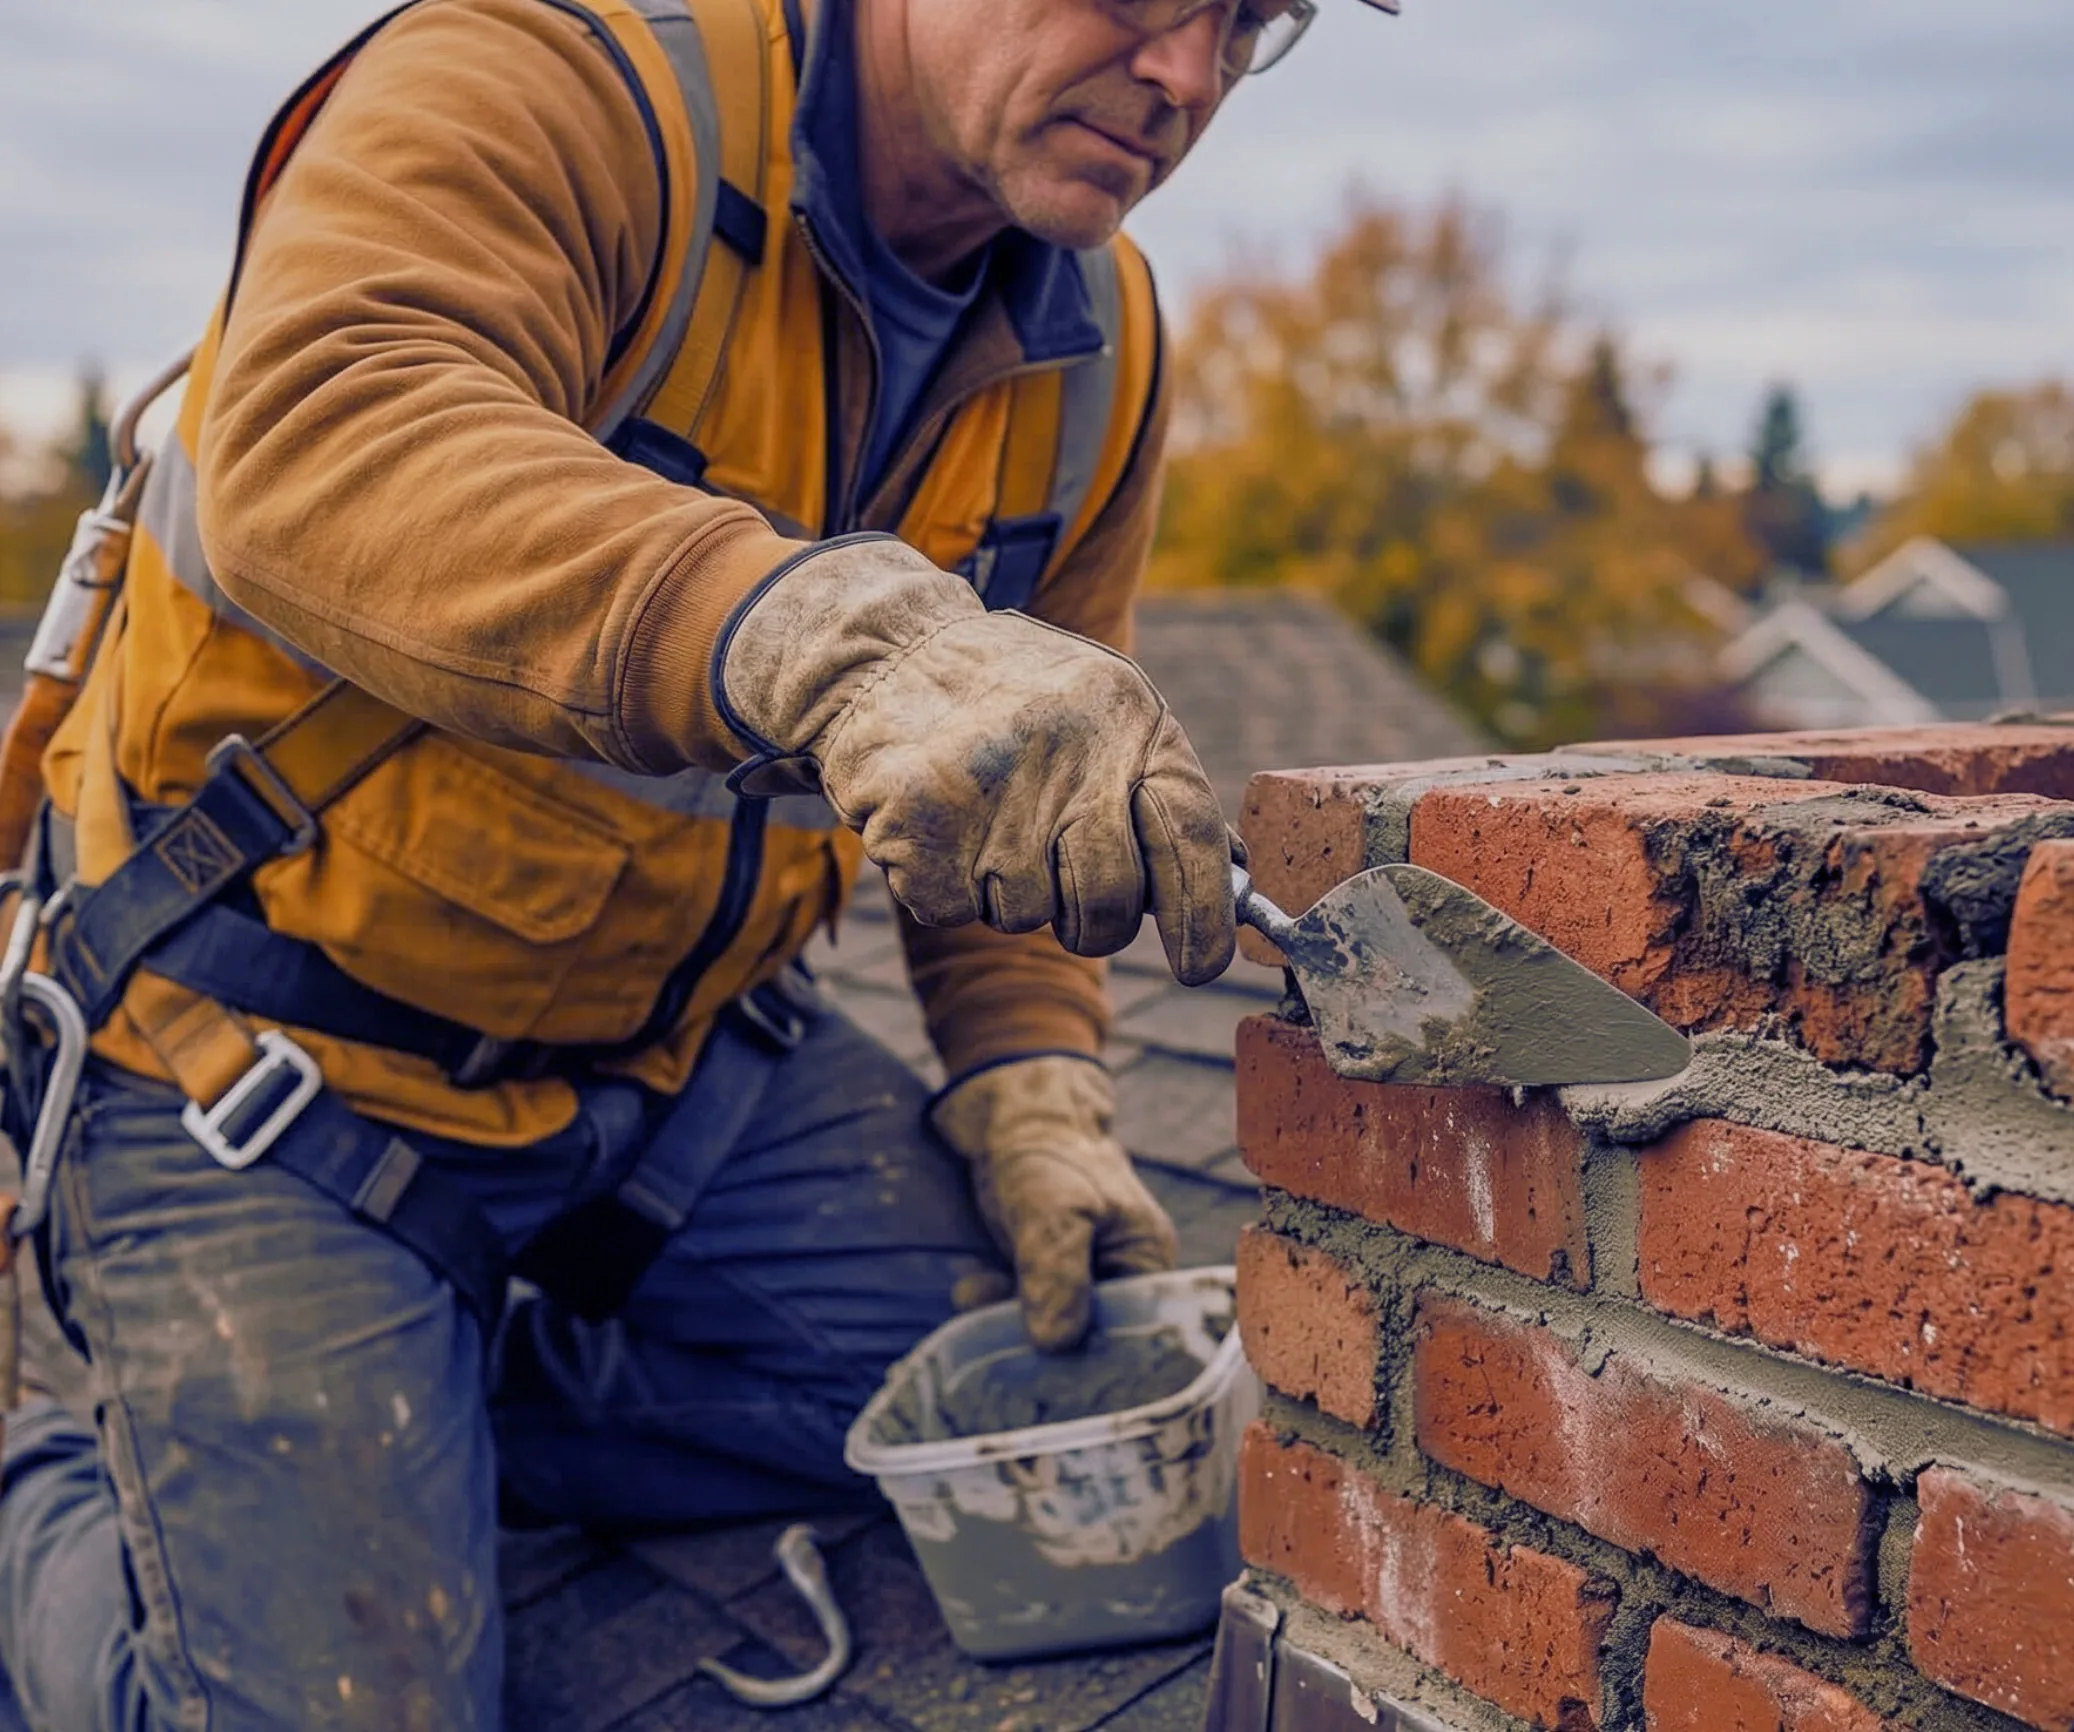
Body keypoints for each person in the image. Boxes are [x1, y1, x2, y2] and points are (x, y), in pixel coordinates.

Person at [0, 0, 1395, 1723]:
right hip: (264, 1066)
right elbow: (320, 436)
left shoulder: (1093, 342)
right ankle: (45, 1503)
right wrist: (812, 627)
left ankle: (435, 1389)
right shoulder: (560, 77)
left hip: (666, 1080)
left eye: (1253, 20)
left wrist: (1035, 1087)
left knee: (1028, 1406)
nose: (1185, 76)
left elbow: (1021, 790)